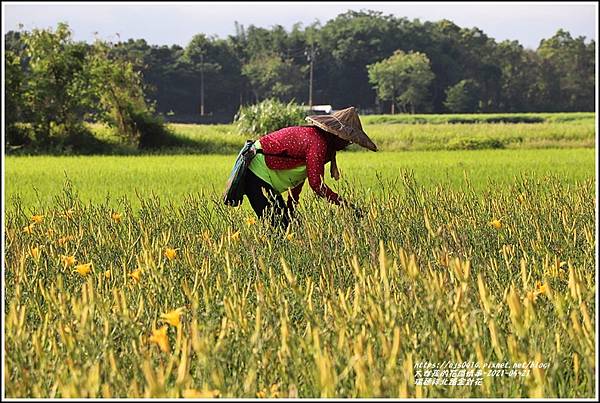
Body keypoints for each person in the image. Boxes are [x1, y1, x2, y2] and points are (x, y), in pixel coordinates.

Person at [242, 106, 378, 228]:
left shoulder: (319, 140)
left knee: (288, 226)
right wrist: (346, 205)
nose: (346, 144)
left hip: (260, 175)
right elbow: (316, 184)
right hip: (256, 171)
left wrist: (291, 209)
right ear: (336, 134)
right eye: (346, 139)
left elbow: (298, 176)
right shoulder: (318, 143)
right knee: (279, 228)